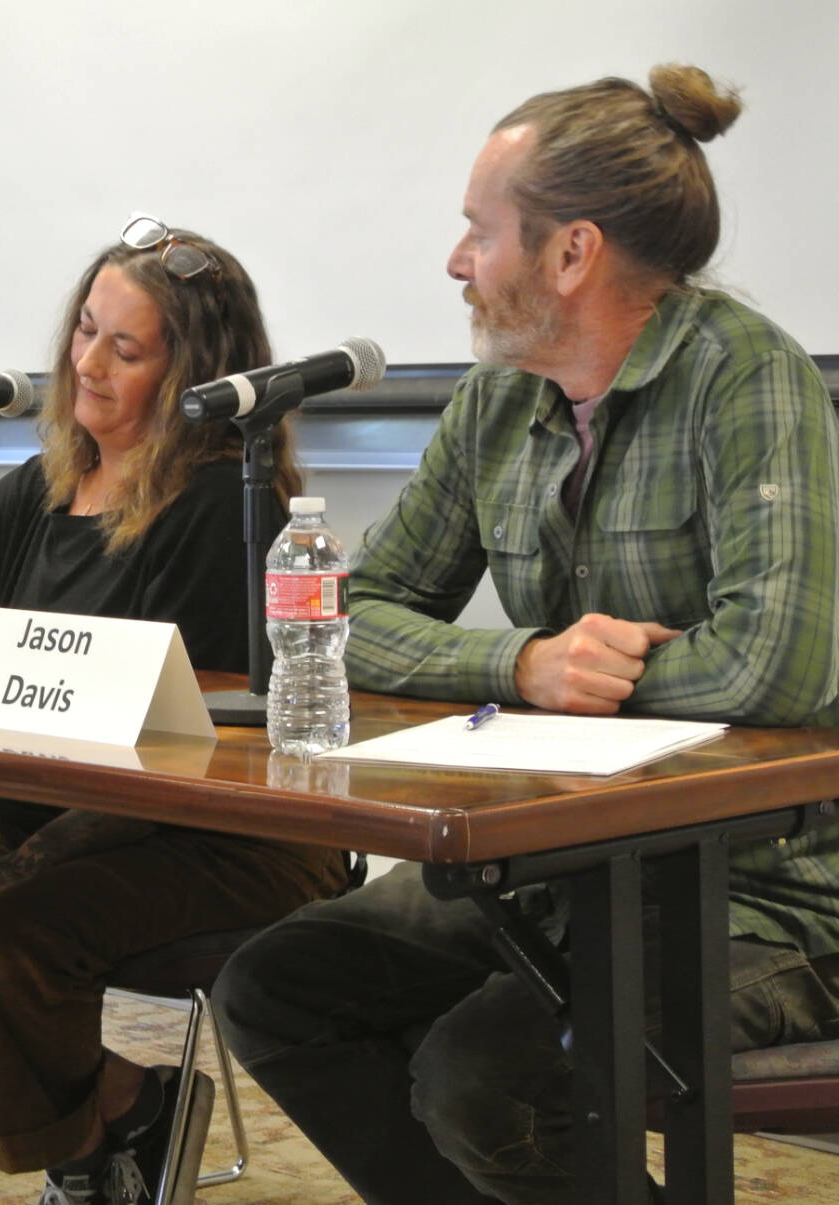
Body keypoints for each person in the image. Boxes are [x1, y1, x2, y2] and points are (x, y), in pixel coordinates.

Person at [213, 65, 839, 1205]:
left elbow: (776, 665)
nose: (457, 263)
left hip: (765, 889)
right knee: (276, 982)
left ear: (570, 254)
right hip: (557, 866)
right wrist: (525, 663)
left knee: (489, 1075)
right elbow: (342, 618)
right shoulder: (497, 400)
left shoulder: (750, 378)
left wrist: (588, 681)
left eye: (477, 231)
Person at [0, 217, 351, 1205]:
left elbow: (189, 750)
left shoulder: (213, 505)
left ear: (192, 371)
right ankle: (120, 1112)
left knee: (10, 935)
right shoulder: (48, 485)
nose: (88, 364)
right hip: (52, 816)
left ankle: (82, 1158)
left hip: (214, 832)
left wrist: (24, 866)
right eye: (84, 331)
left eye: (127, 346)